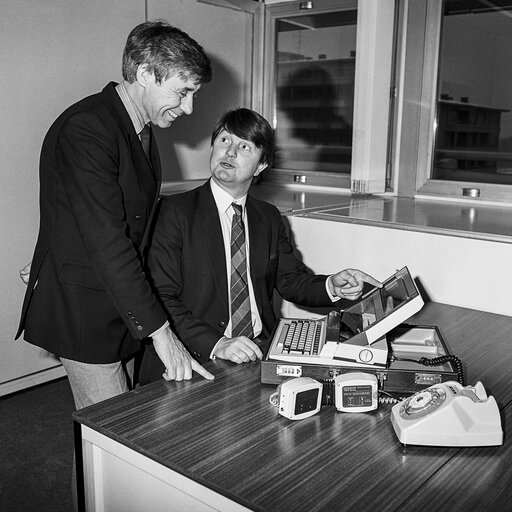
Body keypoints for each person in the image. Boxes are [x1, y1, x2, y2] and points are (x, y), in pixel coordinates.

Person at [15, 20, 215, 412]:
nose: (189, 108)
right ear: (144, 73)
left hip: (118, 304)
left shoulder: (137, 129)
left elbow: (114, 220)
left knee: (101, 441)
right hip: (84, 312)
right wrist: (162, 332)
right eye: (183, 92)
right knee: (113, 437)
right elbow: (108, 239)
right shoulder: (88, 128)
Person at [139, 108, 381, 383]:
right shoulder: (174, 212)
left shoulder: (268, 216)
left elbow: (291, 281)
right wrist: (218, 344)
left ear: (262, 165)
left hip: (260, 352)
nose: (229, 153)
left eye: (244, 146)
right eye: (224, 141)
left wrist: (332, 285)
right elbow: (160, 298)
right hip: (197, 358)